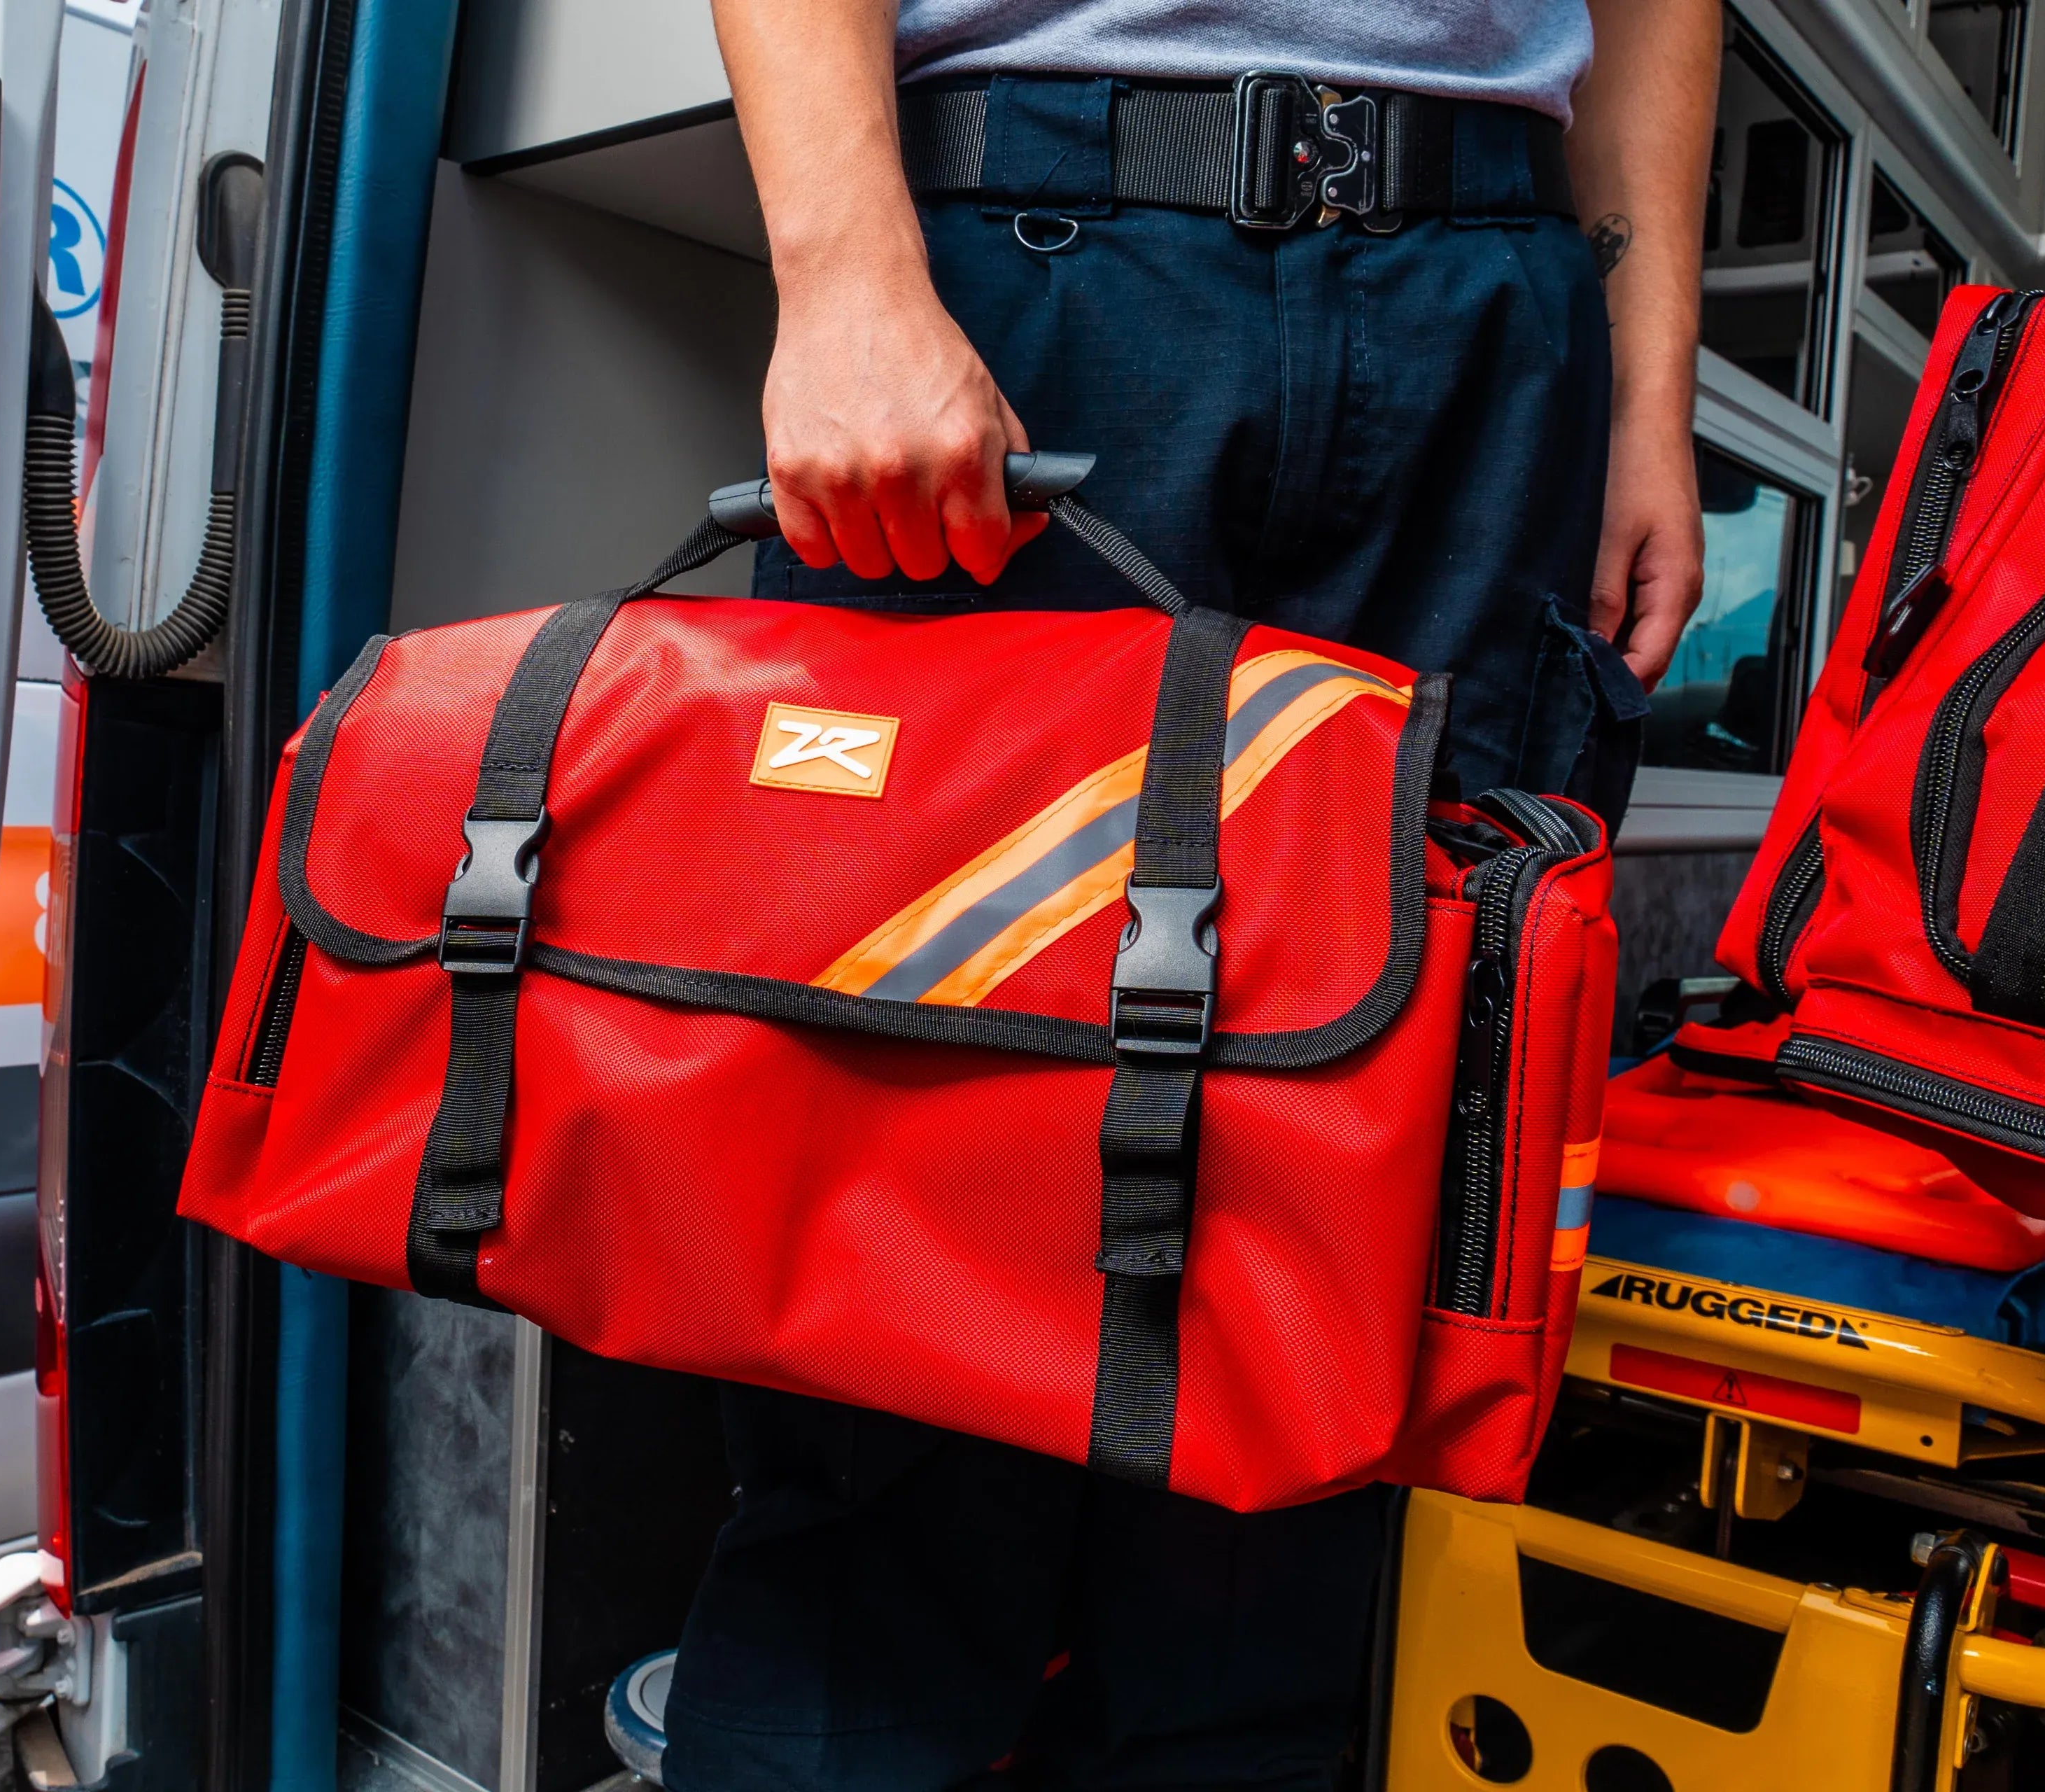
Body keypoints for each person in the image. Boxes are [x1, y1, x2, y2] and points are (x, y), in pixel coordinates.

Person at [660, 3, 1721, 1788]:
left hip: (1493, 321)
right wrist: (846, 270)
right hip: (1040, 267)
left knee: (1336, 1269)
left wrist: (1648, 392)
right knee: (909, 1233)